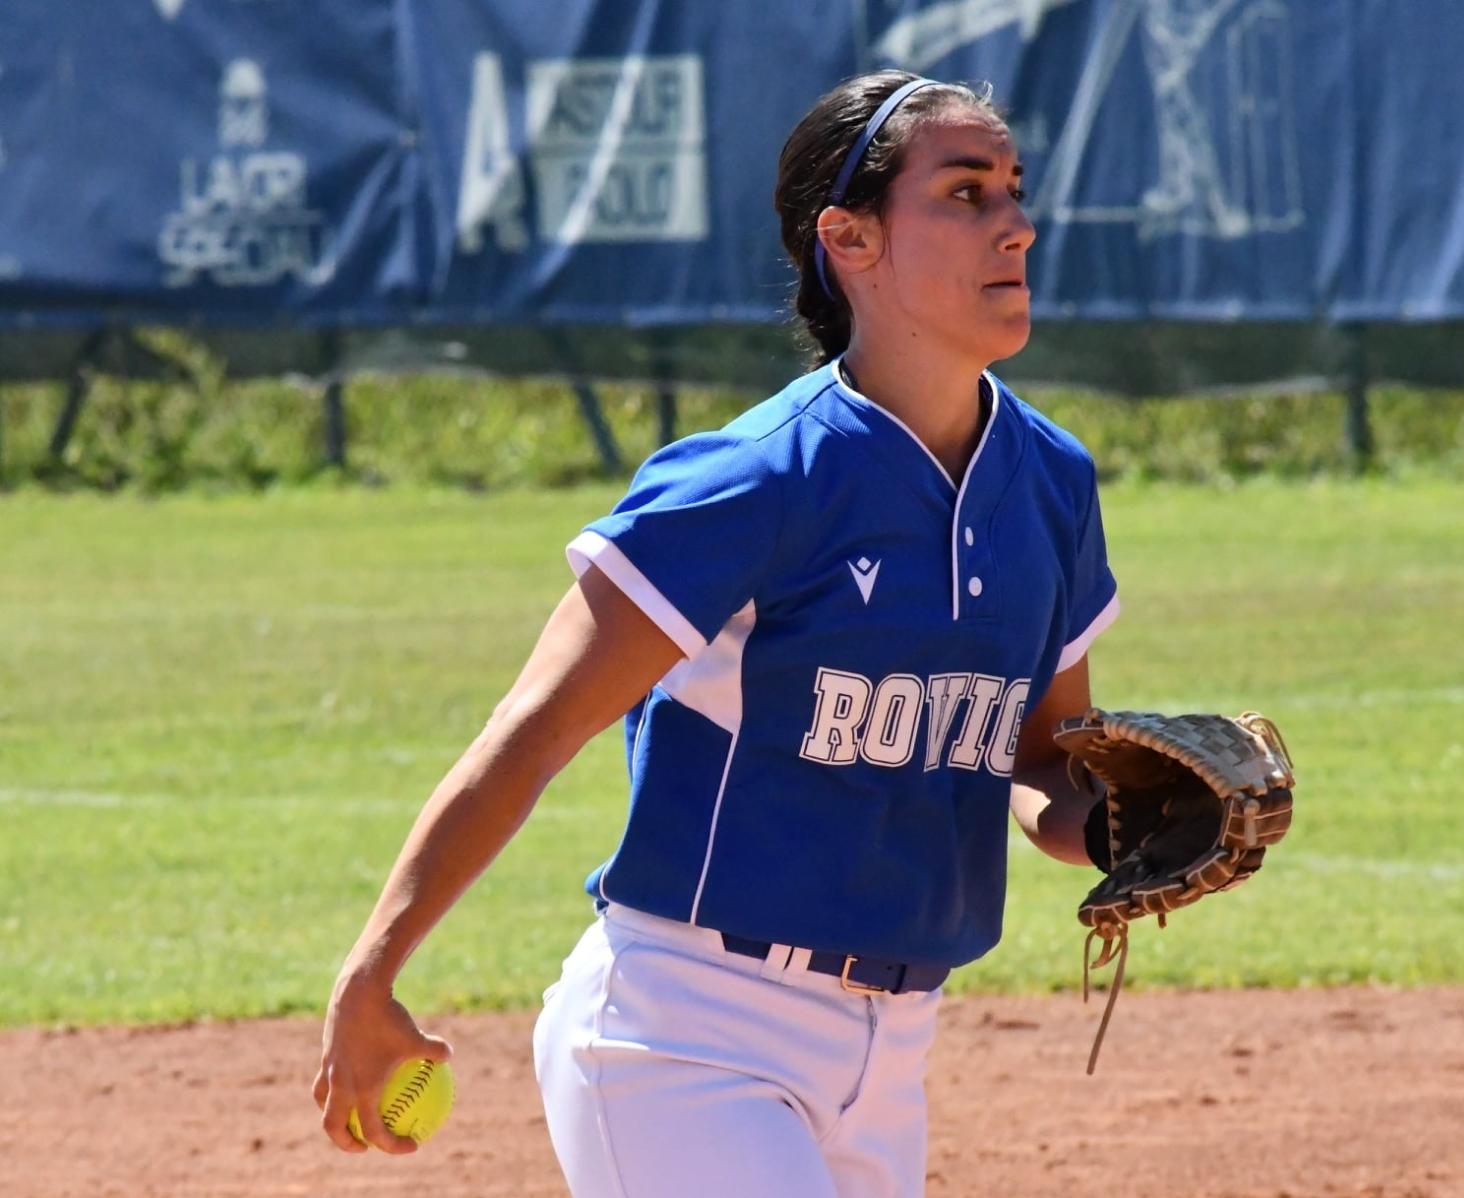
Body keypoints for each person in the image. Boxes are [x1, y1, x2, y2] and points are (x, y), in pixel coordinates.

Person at [312, 69, 1120, 1198]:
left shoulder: (1049, 484)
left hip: (894, 1050)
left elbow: (1038, 759)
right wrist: (372, 970)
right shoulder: (754, 480)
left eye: (1014, 189)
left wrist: (1121, 824)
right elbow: (534, 731)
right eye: (966, 192)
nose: (1015, 223)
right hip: (687, 1035)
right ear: (850, 239)